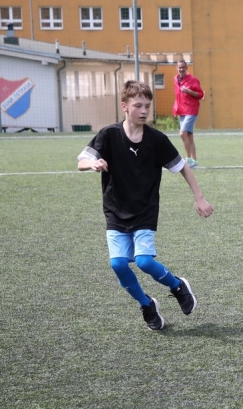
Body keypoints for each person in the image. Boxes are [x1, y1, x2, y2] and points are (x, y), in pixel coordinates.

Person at [78, 80, 214, 330]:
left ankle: (178, 286)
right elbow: (82, 161)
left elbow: (182, 167)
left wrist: (199, 197)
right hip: (115, 210)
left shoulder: (156, 139)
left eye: (147, 106)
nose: (143, 111)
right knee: (118, 264)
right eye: (138, 105)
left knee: (144, 261)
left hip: (145, 210)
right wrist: (93, 164)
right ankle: (146, 305)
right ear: (124, 106)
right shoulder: (108, 135)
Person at [173, 59, 204, 169]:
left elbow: (200, 94)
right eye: (179, 67)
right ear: (177, 68)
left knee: (182, 134)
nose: (181, 69)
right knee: (189, 136)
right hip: (182, 111)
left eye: (183, 67)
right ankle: (194, 161)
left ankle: (188, 159)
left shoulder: (193, 80)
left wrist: (188, 91)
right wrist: (175, 108)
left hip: (191, 110)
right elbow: (177, 96)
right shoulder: (175, 79)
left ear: (186, 68)